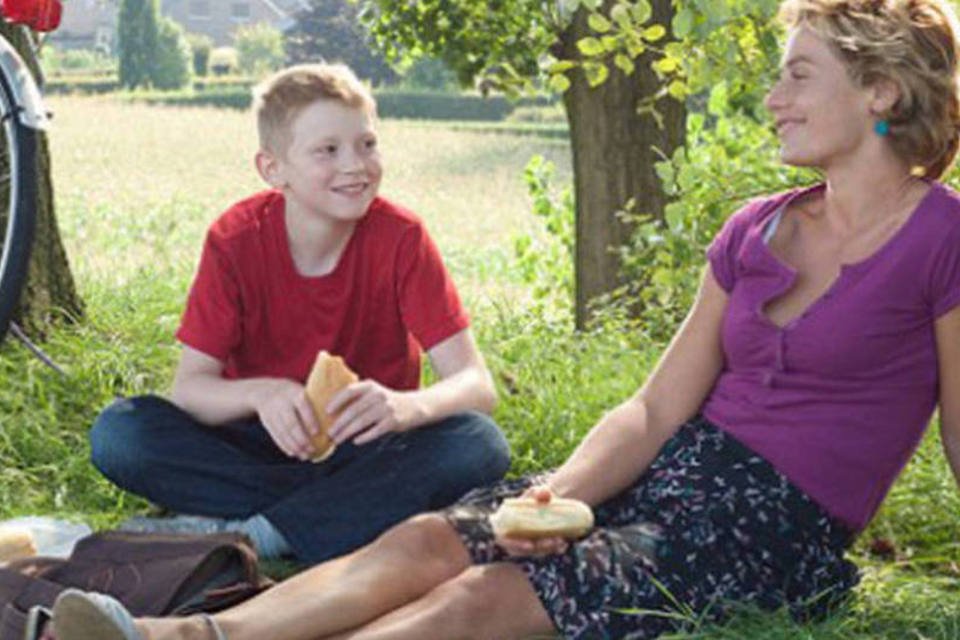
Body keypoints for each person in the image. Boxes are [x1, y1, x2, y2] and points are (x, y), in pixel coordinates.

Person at [43, 0, 960, 638]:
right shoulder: (754, 226)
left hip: (773, 522)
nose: (774, 98)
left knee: (486, 594)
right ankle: (178, 634)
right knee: (432, 537)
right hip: (674, 471)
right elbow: (652, 411)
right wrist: (559, 491)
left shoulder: (943, 237)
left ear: (880, 90)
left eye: (798, 77)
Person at [85, 63, 511, 565]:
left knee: (478, 444)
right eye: (327, 151)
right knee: (121, 433)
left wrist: (405, 407)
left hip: (365, 447)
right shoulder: (235, 240)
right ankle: (331, 519)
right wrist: (263, 394)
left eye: (367, 144)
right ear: (273, 169)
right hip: (255, 446)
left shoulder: (401, 238)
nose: (356, 165)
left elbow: (476, 386)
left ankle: (252, 535)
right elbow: (191, 390)